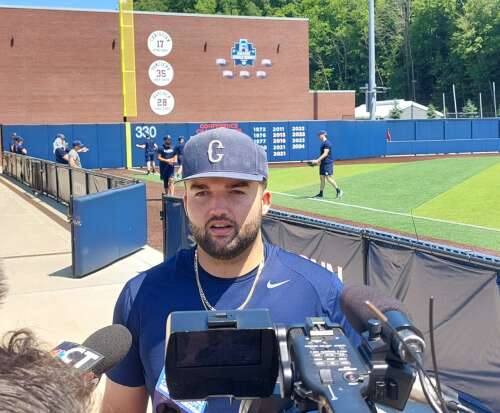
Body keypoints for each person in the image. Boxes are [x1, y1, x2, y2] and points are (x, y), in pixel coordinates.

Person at [100, 127, 360, 413]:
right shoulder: (141, 295)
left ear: (265, 202)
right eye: (202, 192)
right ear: (185, 203)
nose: (218, 208)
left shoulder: (320, 293)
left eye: (236, 191)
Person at [311, 130, 342, 199]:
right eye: (318, 135)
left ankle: (338, 191)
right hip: (323, 163)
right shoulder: (323, 143)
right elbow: (323, 154)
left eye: (320, 135)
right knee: (322, 178)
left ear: (323, 135)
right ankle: (321, 193)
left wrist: (317, 160)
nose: (319, 136)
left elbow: (325, 154)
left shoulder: (327, 143)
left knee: (328, 178)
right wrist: (319, 162)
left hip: (327, 164)